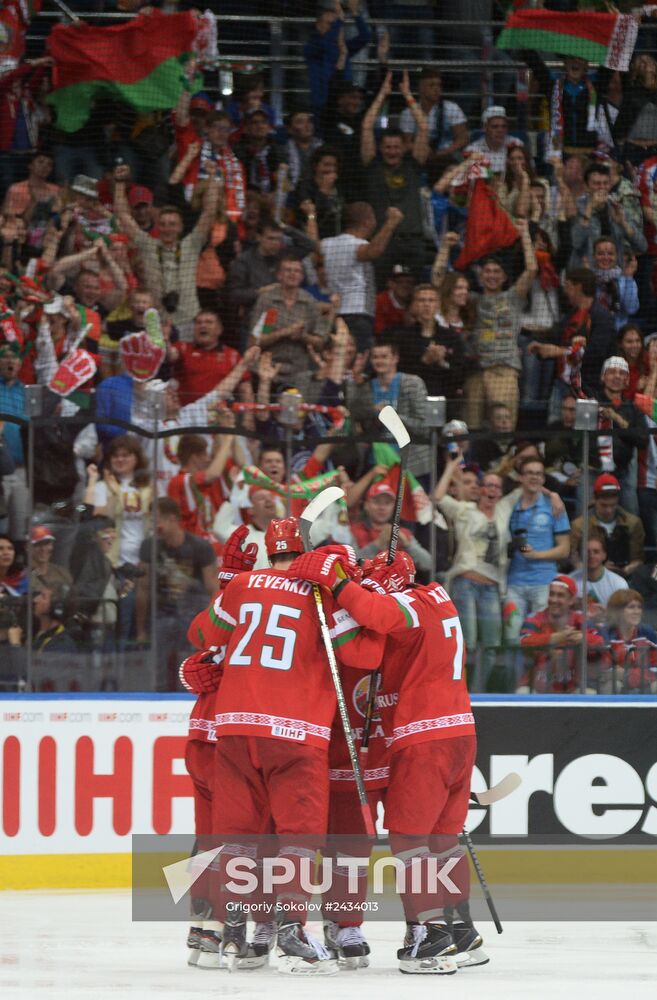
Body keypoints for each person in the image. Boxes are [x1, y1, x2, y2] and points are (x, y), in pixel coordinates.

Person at [185, 518, 381, 974]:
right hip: (295, 731)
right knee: (298, 837)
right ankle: (292, 929)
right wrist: (356, 592)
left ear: (270, 554)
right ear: (307, 550)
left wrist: (229, 582)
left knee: (237, 836)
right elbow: (365, 656)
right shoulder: (320, 593)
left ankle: (231, 933)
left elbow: (202, 637)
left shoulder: (245, 584)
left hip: (233, 728)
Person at [290, 546, 483, 974]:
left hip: (413, 736)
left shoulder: (402, 605)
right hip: (431, 732)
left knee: (412, 840)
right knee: (407, 840)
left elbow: (372, 632)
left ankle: (431, 933)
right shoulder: (436, 595)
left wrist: (341, 585)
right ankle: (449, 927)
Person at [179, 524, 259, 970]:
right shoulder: (277, 605)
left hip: (207, 732)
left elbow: (201, 638)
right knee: (242, 836)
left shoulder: (239, 600)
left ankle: (204, 929)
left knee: (209, 836)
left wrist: (229, 583)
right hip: (233, 738)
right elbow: (202, 642)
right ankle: (239, 930)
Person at [113, 161, 221, 339]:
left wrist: (212, 179)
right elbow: (123, 215)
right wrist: (118, 183)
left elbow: (209, 212)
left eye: (172, 224)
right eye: (163, 224)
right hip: (156, 321)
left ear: (180, 227)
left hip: (188, 321)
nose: (167, 228)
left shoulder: (191, 244)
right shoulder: (148, 245)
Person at [435, 459, 509, 692]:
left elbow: (531, 488)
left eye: (497, 486)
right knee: (467, 641)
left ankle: (478, 692)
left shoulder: (505, 510)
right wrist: (450, 467)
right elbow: (437, 497)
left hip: (492, 586)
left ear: (501, 492)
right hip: (465, 582)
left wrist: (554, 496)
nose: (492, 490)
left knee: (491, 645)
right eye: (488, 485)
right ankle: (461, 693)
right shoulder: (465, 510)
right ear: (480, 489)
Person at [135, 498, 217, 690]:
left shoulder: (199, 547)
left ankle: (187, 695)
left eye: (156, 520)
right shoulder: (149, 547)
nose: (154, 526)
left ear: (172, 519)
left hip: (192, 614)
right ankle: (158, 698)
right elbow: (143, 587)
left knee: (189, 664)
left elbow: (212, 588)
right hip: (162, 612)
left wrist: (210, 626)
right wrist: (140, 630)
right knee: (158, 665)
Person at [465, 219, 537, 429]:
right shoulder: (471, 299)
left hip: (504, 370)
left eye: (497, 272)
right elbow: (439, 283)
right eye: (487, 271)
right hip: (476, 370)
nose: (492, 276)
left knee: (504, 427)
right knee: (472, 427)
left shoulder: (513, 297)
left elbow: (532, 269)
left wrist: (525, 235)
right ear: (480, 275)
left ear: (505, 277)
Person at [360, 71, 430, 281]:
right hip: (383, 242)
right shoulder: (373, 167)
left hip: (414, 243)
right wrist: (383, 94)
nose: (392, 151)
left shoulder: (413, 165)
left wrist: (407, 95)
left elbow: (424, 128)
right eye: (388, 147)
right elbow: (366, 127)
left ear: (404, 149)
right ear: (381, 149)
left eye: (396, 147)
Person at [504, 456, 571, 650]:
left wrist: (536, 555)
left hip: (544, 584)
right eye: (530, 473)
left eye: (539, 474)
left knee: (541, 640)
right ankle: (516, 681)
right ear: (521, 478)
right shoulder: (510, 505)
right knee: (511, 638)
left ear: (543, 478)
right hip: (514, 583)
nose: (534, 477)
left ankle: (536, 681)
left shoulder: (553, 506)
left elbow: (564, 549)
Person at [321, 201, 403, 350]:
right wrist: (391, 223)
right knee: (358, 359)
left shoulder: (325, 244)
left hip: (333, 312)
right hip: (356, 313)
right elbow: (373, 251)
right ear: (368, 221)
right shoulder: (356, 244)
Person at [346, 338, 430, 480]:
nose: (379, 361)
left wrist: (391, 416)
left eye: (384, 357)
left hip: (412, 465)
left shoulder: (413, 383)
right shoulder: (367, 387)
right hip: (378, 465)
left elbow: (424, 427)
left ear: (395, 358)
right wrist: (355, 377)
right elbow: (353, 412)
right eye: (375, 357)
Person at [518, 574, 603, 694]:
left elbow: (599, 641)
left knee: (591, 695)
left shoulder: (579, 619)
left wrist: (582, 637)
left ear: (571, 600)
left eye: (560, 595)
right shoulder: (535, 618)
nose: (554, 599)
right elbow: (524, 641)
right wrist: (559, 637)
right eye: (551, 594)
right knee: (522, 693)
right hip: (536, 689)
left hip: (570, 689)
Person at [248, 255, 323, 379]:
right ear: (279, 275)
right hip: (267, 369)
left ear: (302, 276)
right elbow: (255, 341)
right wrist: (284, 333)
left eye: (297, 271)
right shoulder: (268, 301)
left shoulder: (310, 303)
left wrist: (302, 336)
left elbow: (320, 343)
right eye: (288, 270)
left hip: (300, 372)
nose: (292, 274)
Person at [170, 309, 255, 406]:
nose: (203, 325)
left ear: (219, 329)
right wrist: (165, 340)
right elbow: (169, 355)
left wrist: (249, 418)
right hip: (184, 415)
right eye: (198, 322)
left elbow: (245, 389)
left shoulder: (233, 355)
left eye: (209, 322)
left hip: (218, 416)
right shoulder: (182, 348)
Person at [570, 473, 645, 579]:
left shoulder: (633, 523)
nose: (608, 510)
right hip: (589, 576)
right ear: (594, 499)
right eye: (604, 505)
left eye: (613, 505)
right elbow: (574, 558)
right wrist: (598, 569)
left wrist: (625, 570)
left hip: (626, 576)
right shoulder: (579, 525)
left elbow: (638, 559)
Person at [350, 481, 431, 574]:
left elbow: (428, 564)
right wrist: (377, 544)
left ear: (394, 507)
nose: (382, 508)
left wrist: (407, 545)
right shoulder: (353, 531)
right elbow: (351, 564)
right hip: (365, 585)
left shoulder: (404, 533)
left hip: (400, 586)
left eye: (387, 503)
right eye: (377, 502)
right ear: (366, 505)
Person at [399, 67, 468, 172]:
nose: (437, 89)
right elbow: (406, 143)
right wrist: (423, 150)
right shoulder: (408, 113)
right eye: (431, 85)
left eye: (439, 85)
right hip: (419, 157)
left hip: (446, 157)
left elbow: (463, 139)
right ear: (421, 88)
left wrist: (442, 153)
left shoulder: (451, 108)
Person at [600, 589, 657, 694]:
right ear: (617, 611)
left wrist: (629, 674)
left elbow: (655, 666)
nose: (637, 611)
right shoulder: (606, 633)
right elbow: (604, 671)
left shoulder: (647, 632)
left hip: (644, 681)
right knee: (613, 685)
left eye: (639, 607)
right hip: (615, 683)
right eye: (631, 607)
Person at [571, 531, 629, 616]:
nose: (591, 556)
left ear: (604, 555)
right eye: (587, 552)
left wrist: (607, 613)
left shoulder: (619, 584)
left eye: (596, 552)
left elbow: (624, 617)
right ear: (580, 555)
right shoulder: (570, 581)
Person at [465, 106, 519, 175]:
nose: (500, 130)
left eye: (504, 126)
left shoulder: (516, 144)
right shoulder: (472, 149)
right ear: (485, 127)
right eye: (495, 126)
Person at [30, 525, 72, 591]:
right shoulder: (22, 576)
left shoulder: (62, 573)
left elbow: (72, 598)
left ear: (52, 546)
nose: (43, 549)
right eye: (37, 544)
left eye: (47, 544)